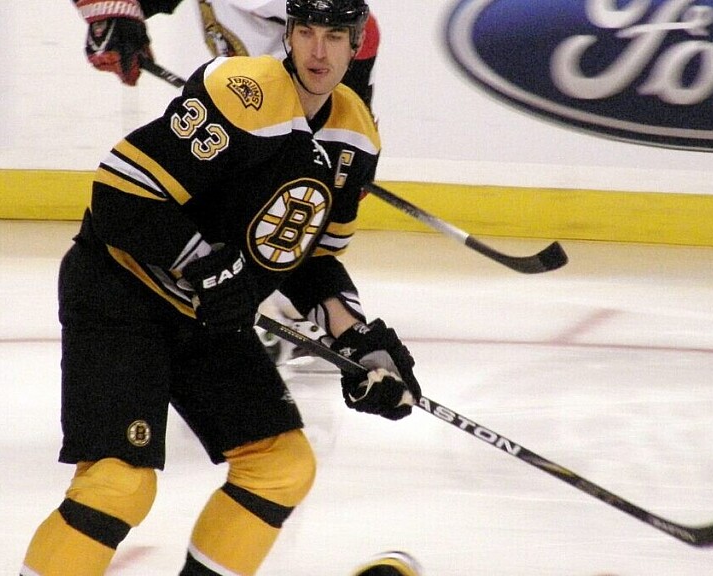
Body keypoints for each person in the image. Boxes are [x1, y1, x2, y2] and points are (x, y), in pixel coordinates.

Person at [21, 1, 422, 575]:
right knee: (118, 485)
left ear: (356, 45)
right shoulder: (242, 92)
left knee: (281, 467)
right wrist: (206, 265)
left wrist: (358, 340)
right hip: (121, 291)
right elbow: (118, 195)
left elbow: (311, 259)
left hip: (206, 315)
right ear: (289, 35)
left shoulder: (355, 135)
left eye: (335, 36)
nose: (318, 51)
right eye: (307, 32)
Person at [71, 0, 381, 369]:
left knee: (269, 235)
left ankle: (270, 309)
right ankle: (259, 308)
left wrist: (339, 135)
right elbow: (122, 194)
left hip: (286, 124)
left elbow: (359, 29)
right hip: (249, 114)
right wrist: (122, 18)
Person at [71, 0, 380, 106]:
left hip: (292, 120)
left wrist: (346, 124)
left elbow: (361, 32)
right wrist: (116, 20)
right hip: (252, 113)